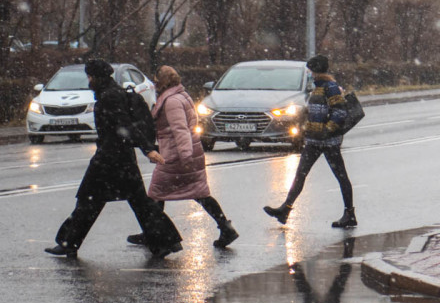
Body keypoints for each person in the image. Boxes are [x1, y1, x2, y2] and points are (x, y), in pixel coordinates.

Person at [45, 59, 183, 259]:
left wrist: (147, 149)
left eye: (90, 76)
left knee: (88, 201)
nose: (89, 80)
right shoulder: (111, 92)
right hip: (121, 159)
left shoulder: (110, 96)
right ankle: (165, 242)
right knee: (137, 203)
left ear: (96, 77)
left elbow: (125, 125)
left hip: (110, 159)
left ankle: (69, 243)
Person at [125, 66, 238, 248]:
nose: (154, 83)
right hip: (186, 151)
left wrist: (185, 157)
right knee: (199, 192)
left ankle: (152, 233)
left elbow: (180, 129)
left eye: (156, 79)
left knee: (155, 193)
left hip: (176, 154)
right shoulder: (180, 95)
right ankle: (225, 227)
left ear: (163, 81)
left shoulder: (171, 101)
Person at [264, 55, 356, 229]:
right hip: (314, 140)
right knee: (301, 174)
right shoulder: (318, 87)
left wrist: (326, 130)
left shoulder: (330, 87)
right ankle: (285, 209)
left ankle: (350, 214)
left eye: (310, 70)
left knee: (341, 177)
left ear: (315, 70)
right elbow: (316, 111)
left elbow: (340, 112)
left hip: (329, 142)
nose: (309, 74)